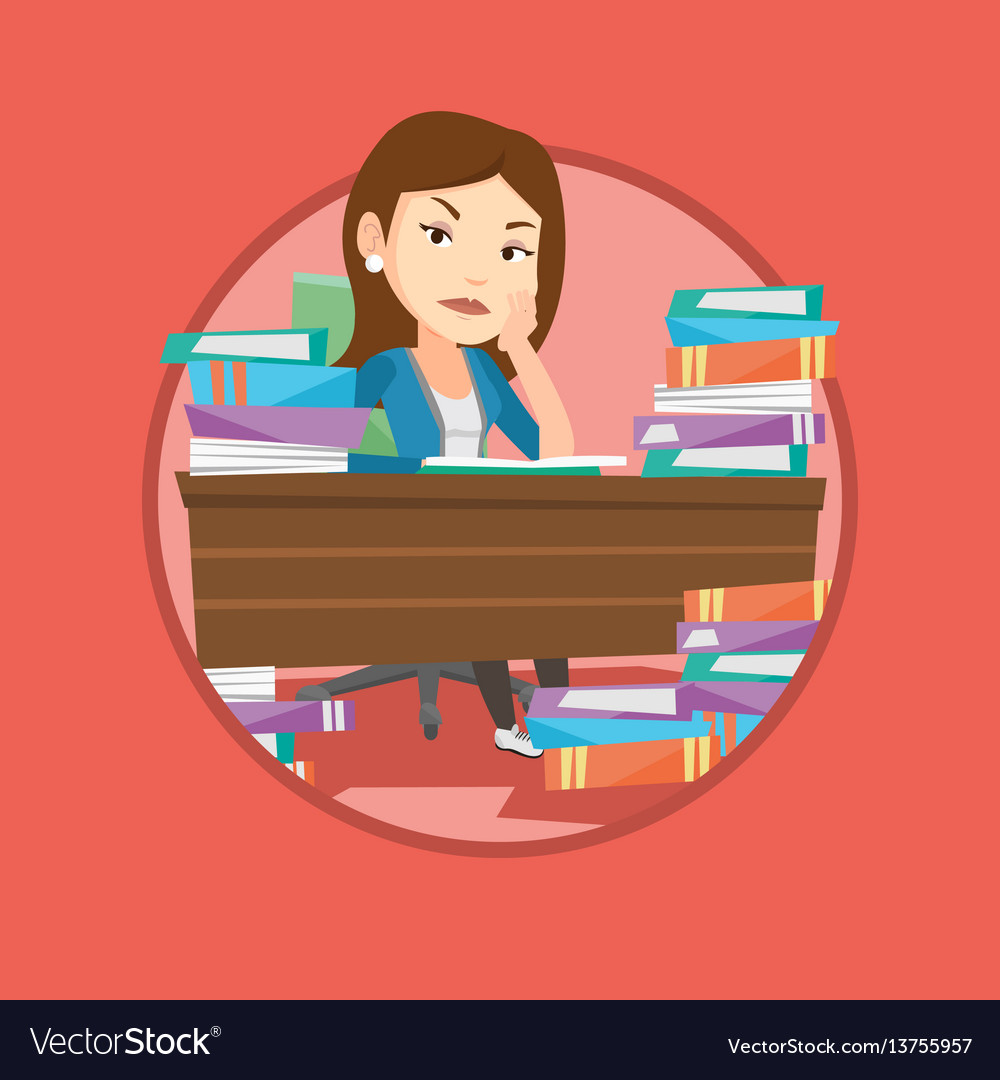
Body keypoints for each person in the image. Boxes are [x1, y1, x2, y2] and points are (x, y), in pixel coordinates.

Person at [306, 112, 574, 758]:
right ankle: (508, 726)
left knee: (547, 587)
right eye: (438, 234)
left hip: (474, 531)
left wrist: (521, 350)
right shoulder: (384, 368)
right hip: (402, 535)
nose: (480, 276)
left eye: (511, 252)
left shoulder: (484, 369)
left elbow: (553, 451)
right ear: (377, 239)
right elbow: (326, 455)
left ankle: (564, 716)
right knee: (491, 584)